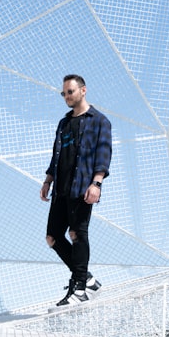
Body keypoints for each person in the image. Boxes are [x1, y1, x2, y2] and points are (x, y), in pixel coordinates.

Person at [40, 74, 112, 307]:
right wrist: (48, 180)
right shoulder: (64, 123)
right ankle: (86, 279)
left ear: (83, 90)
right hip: (61, 187)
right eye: (63, 93)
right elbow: (56, 155)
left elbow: (104, 154)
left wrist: (97, 183)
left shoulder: (99, 121)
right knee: (52, 237)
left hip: (83, 186)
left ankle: (80, 287)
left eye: (70, 92)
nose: (66, 97)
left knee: (77, 233)